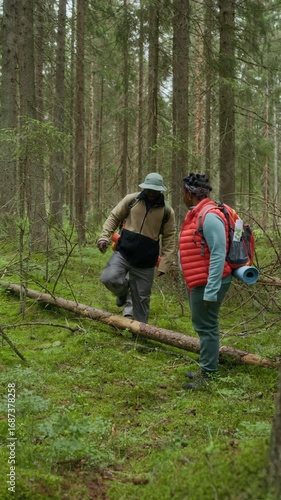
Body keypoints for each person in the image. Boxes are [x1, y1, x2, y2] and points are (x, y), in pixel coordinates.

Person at [97, 172, 176, 323]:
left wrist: (165, 263)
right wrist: (104, 237)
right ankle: (124, 293)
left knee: (142, 300)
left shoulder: (167, 211)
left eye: (155, 190)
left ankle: (140, 335)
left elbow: (170, 237)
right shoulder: (131, 200)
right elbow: (114, 217)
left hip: (146, 262)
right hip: (123, 253)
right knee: (108, 278)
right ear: (144, 188)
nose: (151, 193)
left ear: (160, 190)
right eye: (149, 189)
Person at [179, 173, 232, 389]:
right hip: (199, 281)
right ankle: (206, 366)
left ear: (190, 194)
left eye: (183, 192)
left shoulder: (209, 216)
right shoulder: (197, 214)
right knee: (202, 325)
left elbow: (218, 253)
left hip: (209, 282)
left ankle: (208, 375)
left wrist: (211, 289)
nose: (182, 196)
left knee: (207, 327)